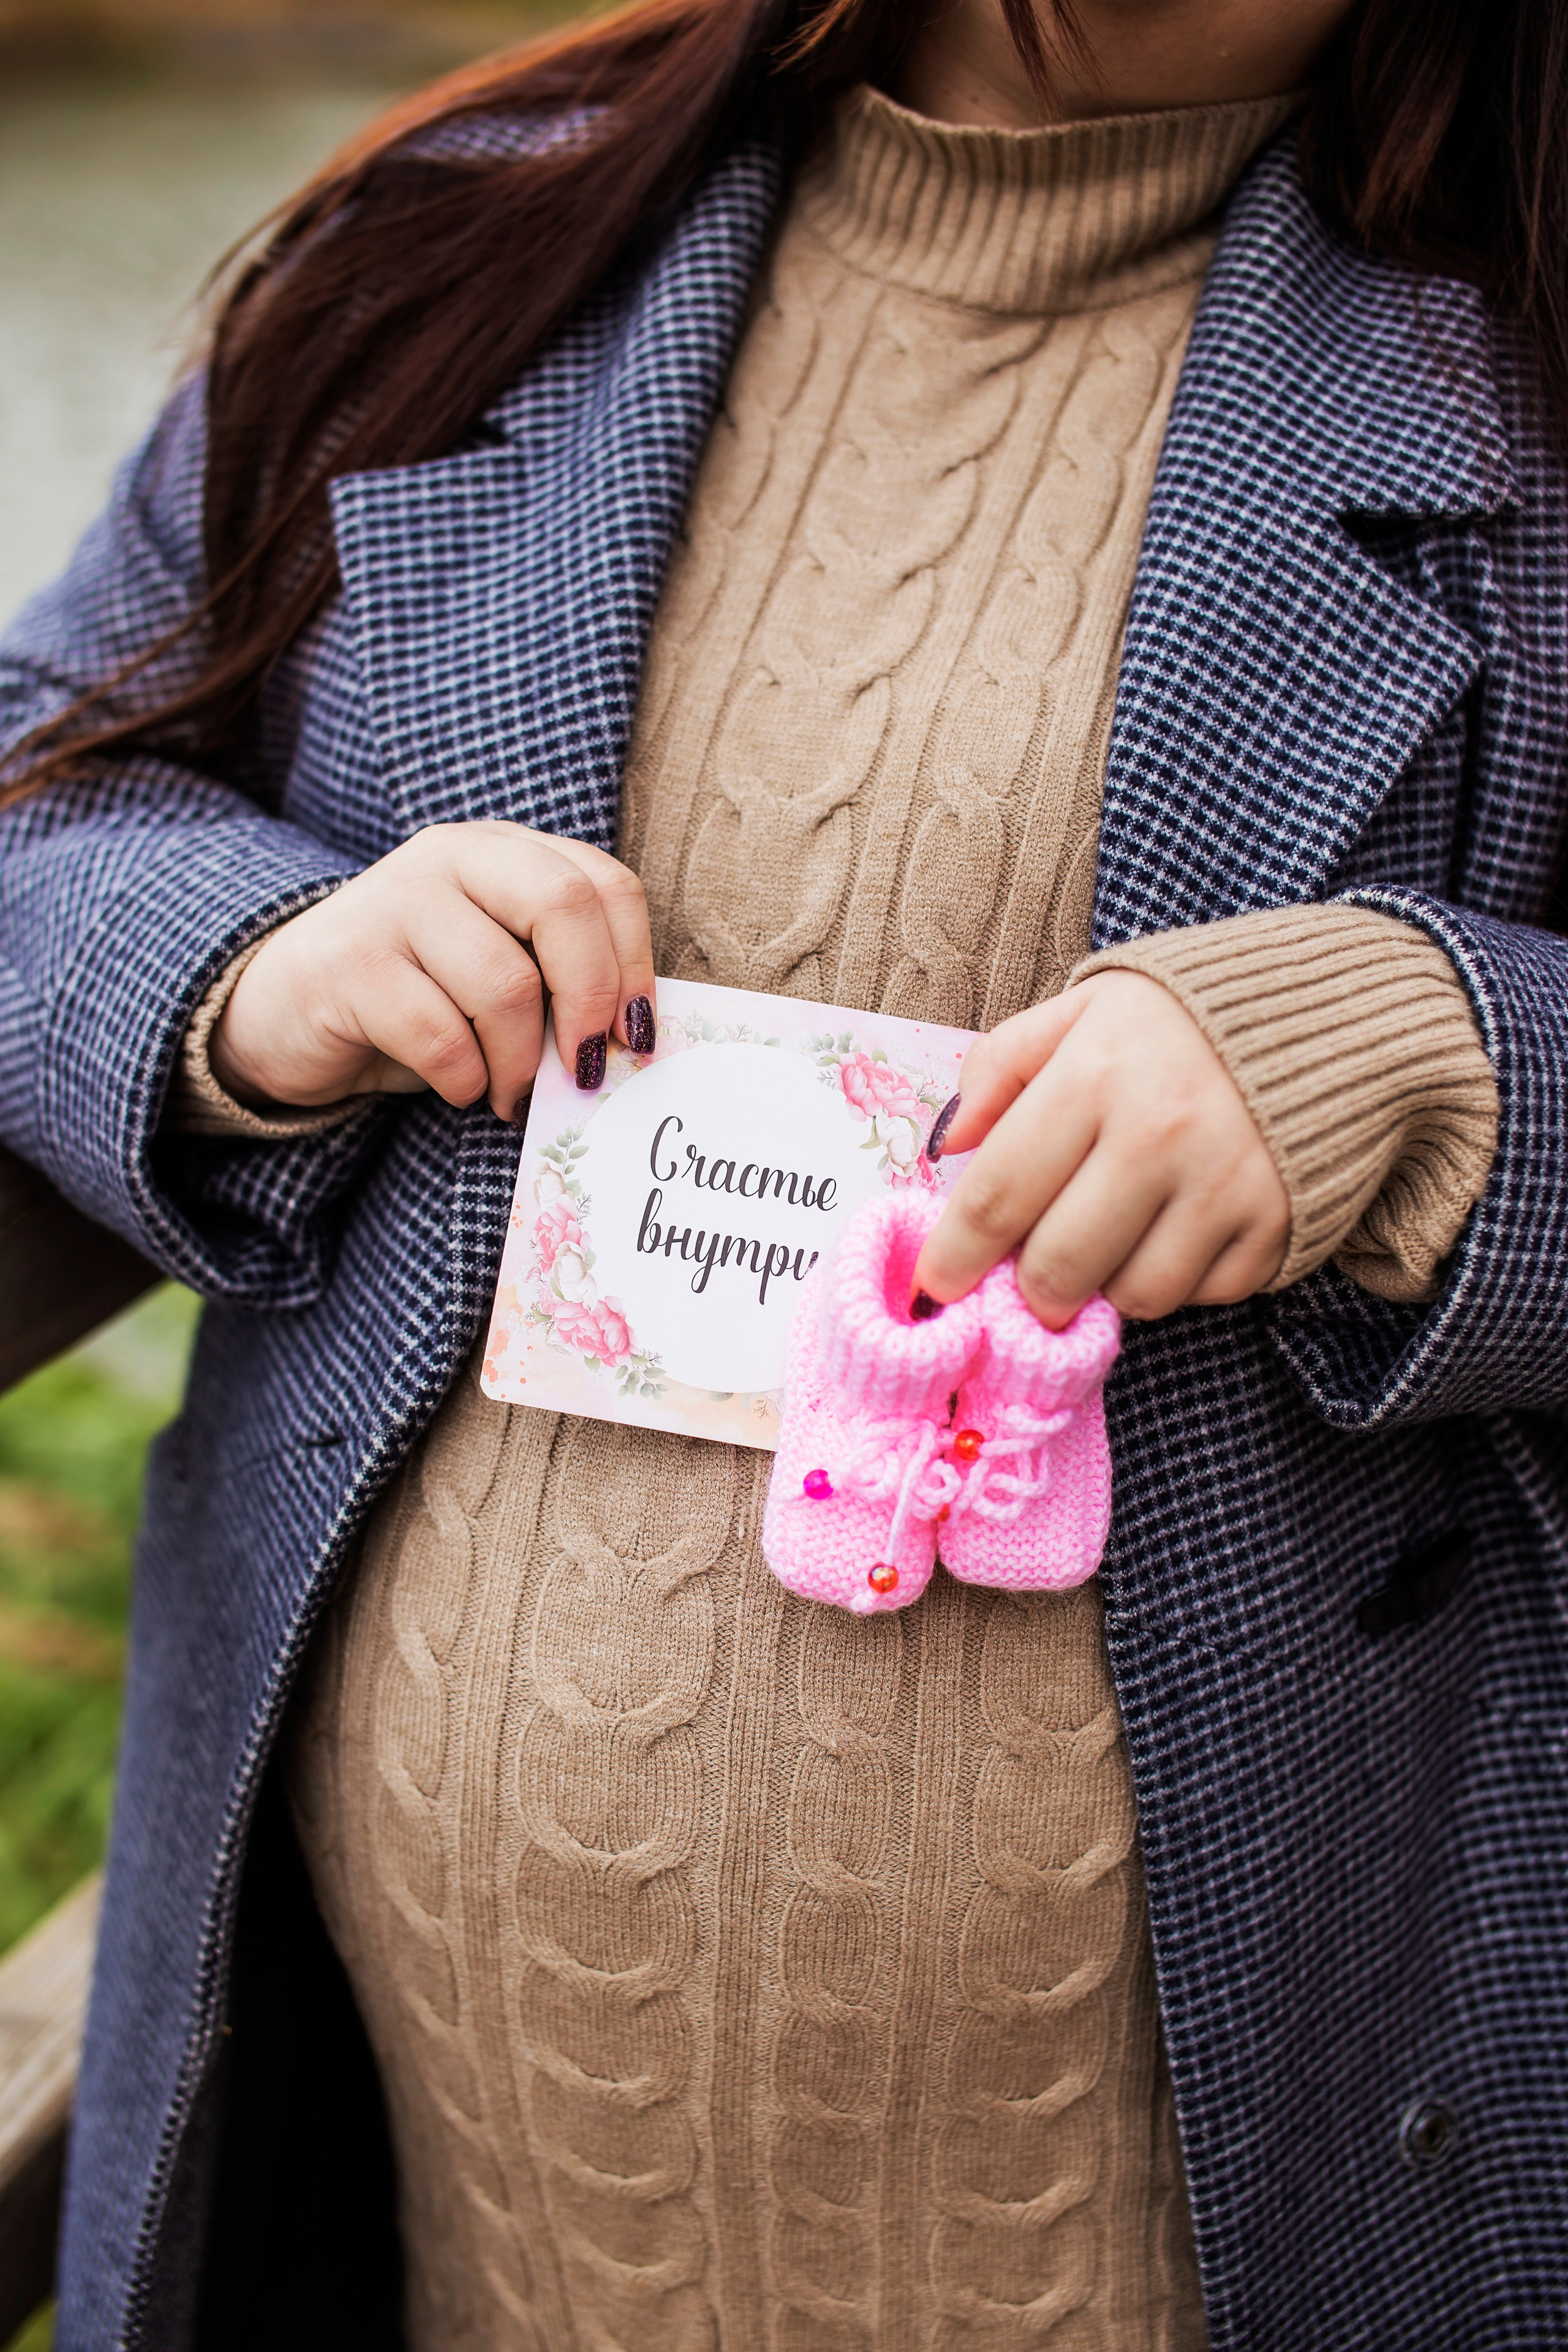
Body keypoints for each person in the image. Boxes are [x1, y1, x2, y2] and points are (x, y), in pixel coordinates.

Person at [2, 0, 1565, 2342]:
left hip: (1278, 2202)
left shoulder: (1527, 358)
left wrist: (1431, 1059)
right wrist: (247, 971)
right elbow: (46, 786)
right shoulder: (454, 249)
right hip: (437, 2211)